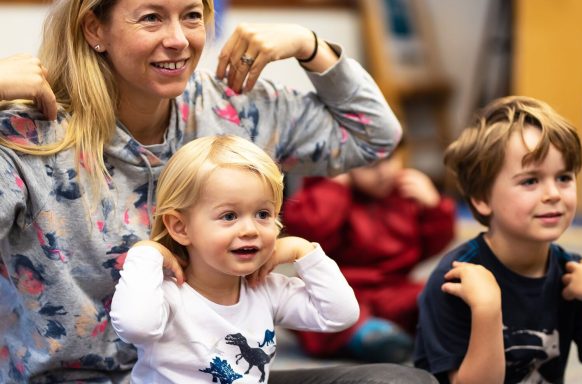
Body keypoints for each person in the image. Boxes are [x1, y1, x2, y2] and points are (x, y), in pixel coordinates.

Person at [0, 0, 443, 383]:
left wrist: (309, 45)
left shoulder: (228, 108)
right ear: (95, 29)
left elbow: (375, 137)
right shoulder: (30, 134)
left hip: (215, 372)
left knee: (398, 379)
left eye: (191, 15)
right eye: (151, 18)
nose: (178, 40)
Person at [110, 134, 360, 383]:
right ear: (181, 228)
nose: (250, 230)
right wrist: (147, 252)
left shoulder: (266, 289)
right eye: (229, 216)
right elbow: (136, 327)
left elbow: (339, 314)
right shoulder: (170, 294)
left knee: (389, 377)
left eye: (263, 214)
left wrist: (304, 251)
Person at [414, 96, 582, 383]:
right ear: (481, 198)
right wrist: (487, 310)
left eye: (564, 177)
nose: (553, 193)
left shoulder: (574, 277)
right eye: (530, 181)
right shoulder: (455, 279)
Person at [282, 146, 456, 363]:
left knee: (436, 294)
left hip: (394, 288)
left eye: (390, 158)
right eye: (370, 165)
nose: (384, 171)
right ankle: (369, 337)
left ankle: (411, 334)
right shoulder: (329, 192)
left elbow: (431, 246)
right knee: (317, 313)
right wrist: (334, 188)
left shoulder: (404, 193)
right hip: (341, 290)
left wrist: (434, 207)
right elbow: (310, 232)